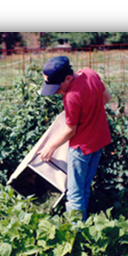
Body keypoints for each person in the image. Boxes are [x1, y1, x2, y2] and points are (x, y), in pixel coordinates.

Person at [38, 56, 112, 221]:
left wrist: (50, 147)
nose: (56, 92)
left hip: (81, 148)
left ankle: (75, 230)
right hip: (98, 141)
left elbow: (71, 130)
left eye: (57, 87)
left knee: (74, 193)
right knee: (84, 188)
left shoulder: (71, 96)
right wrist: (90, 113)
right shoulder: (90, 73)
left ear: (68, 78)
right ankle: (83, 224)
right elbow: (106, 97)